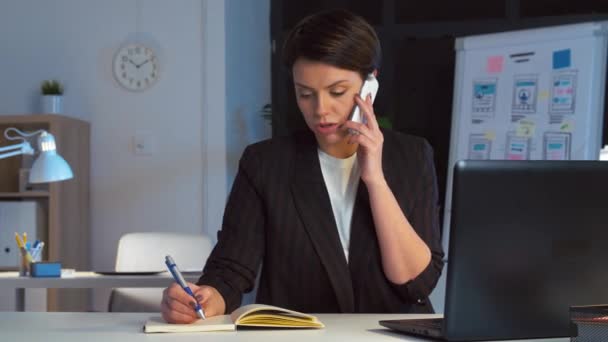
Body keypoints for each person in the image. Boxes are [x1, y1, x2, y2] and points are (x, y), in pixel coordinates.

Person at [161, 9, 444, 324]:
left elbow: (415, 283)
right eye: (305, 94)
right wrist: (205, 298)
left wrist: (375, 179)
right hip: (301, 335)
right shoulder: (266, 164)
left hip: (390, 335)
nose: (320, 110)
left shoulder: (412, 156)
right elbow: (230, 270)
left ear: (369, 86)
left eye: (337, 92)